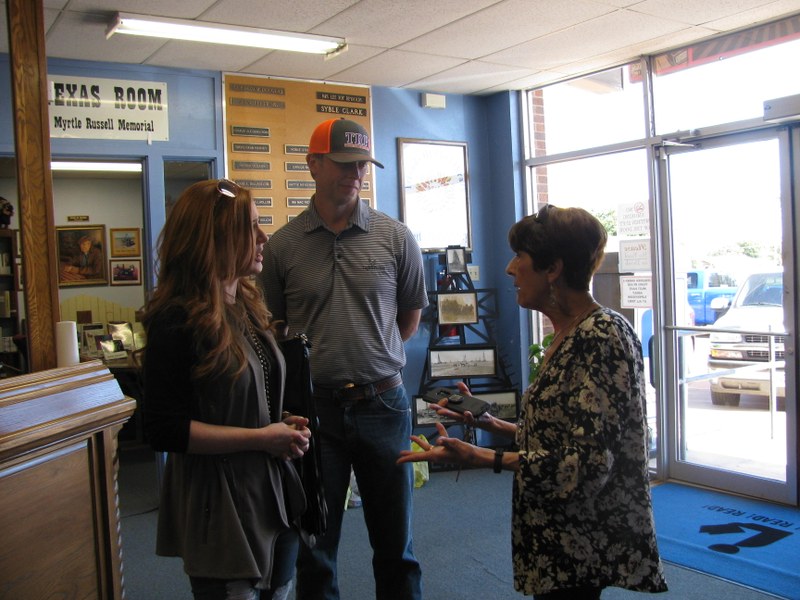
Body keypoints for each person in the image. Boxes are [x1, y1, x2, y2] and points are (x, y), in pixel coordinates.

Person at [399, 205, 668, 599]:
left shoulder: (601, 336)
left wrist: (483, 458)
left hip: (581, 540)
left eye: (520, 257)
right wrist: (496, 426)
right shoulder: (570, 332)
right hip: (556, 532)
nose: (510, 269)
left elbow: (588, 463)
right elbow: (565, 434)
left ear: (553, 268)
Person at [260, 118, 428, 600]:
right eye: (343, 163)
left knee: (397, 545)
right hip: (315, 414)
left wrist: (375, 352)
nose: (355, 172)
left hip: (384, 405)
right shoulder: (283, 247)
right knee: (315, 544)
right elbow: (274, 325)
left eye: (361, 164)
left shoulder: (396, 237)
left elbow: (410, 312)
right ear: (313, 164)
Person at [142, 178, 313, 600]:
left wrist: (279, 424)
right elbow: (164, 429)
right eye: (249, 228)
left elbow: (252, 395)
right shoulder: (177, 319)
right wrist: (261, 437)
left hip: (272, 496)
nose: (263, 238)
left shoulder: (249, 307)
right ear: (213, 238)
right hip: (221, 507)